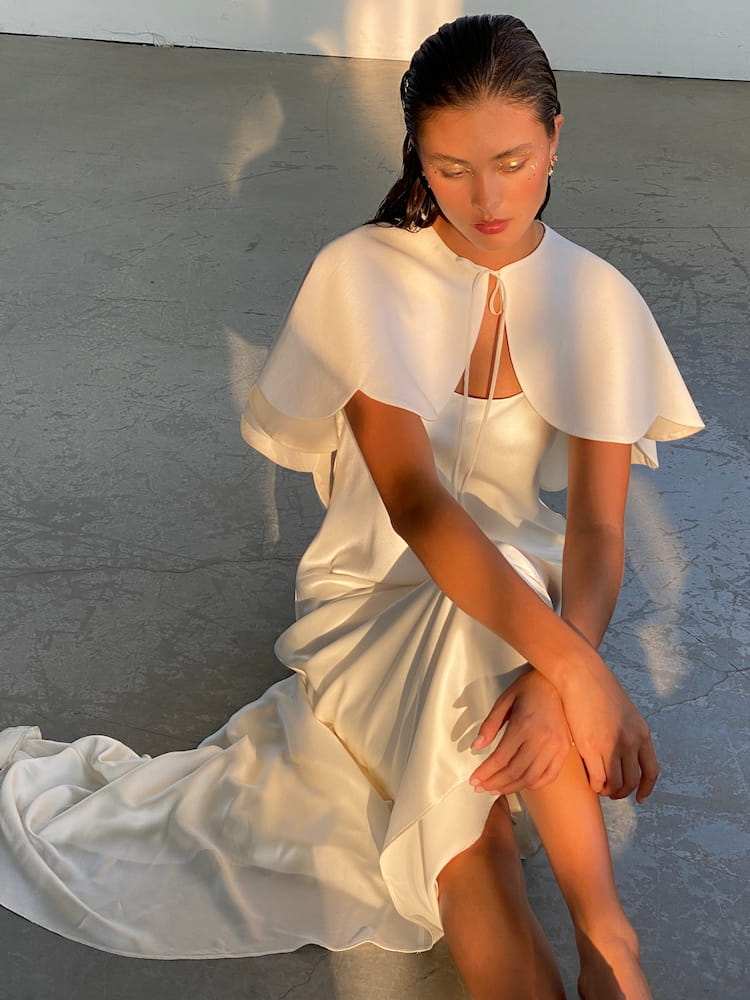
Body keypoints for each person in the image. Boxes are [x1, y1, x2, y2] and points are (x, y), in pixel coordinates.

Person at [0, 13, 702, 1000]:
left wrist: (560, 676)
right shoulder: (365, 274)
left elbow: (595, 528)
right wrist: (576, 670)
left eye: (512, 161)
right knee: (487, 657)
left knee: (467, 835)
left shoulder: (599, 301)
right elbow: (415, 504)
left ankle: (605, 946)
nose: (487, 198)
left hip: (525, 616)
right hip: (374, 602)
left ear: (555, 137)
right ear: (416, 153)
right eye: (452, 168)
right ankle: (612, 941)